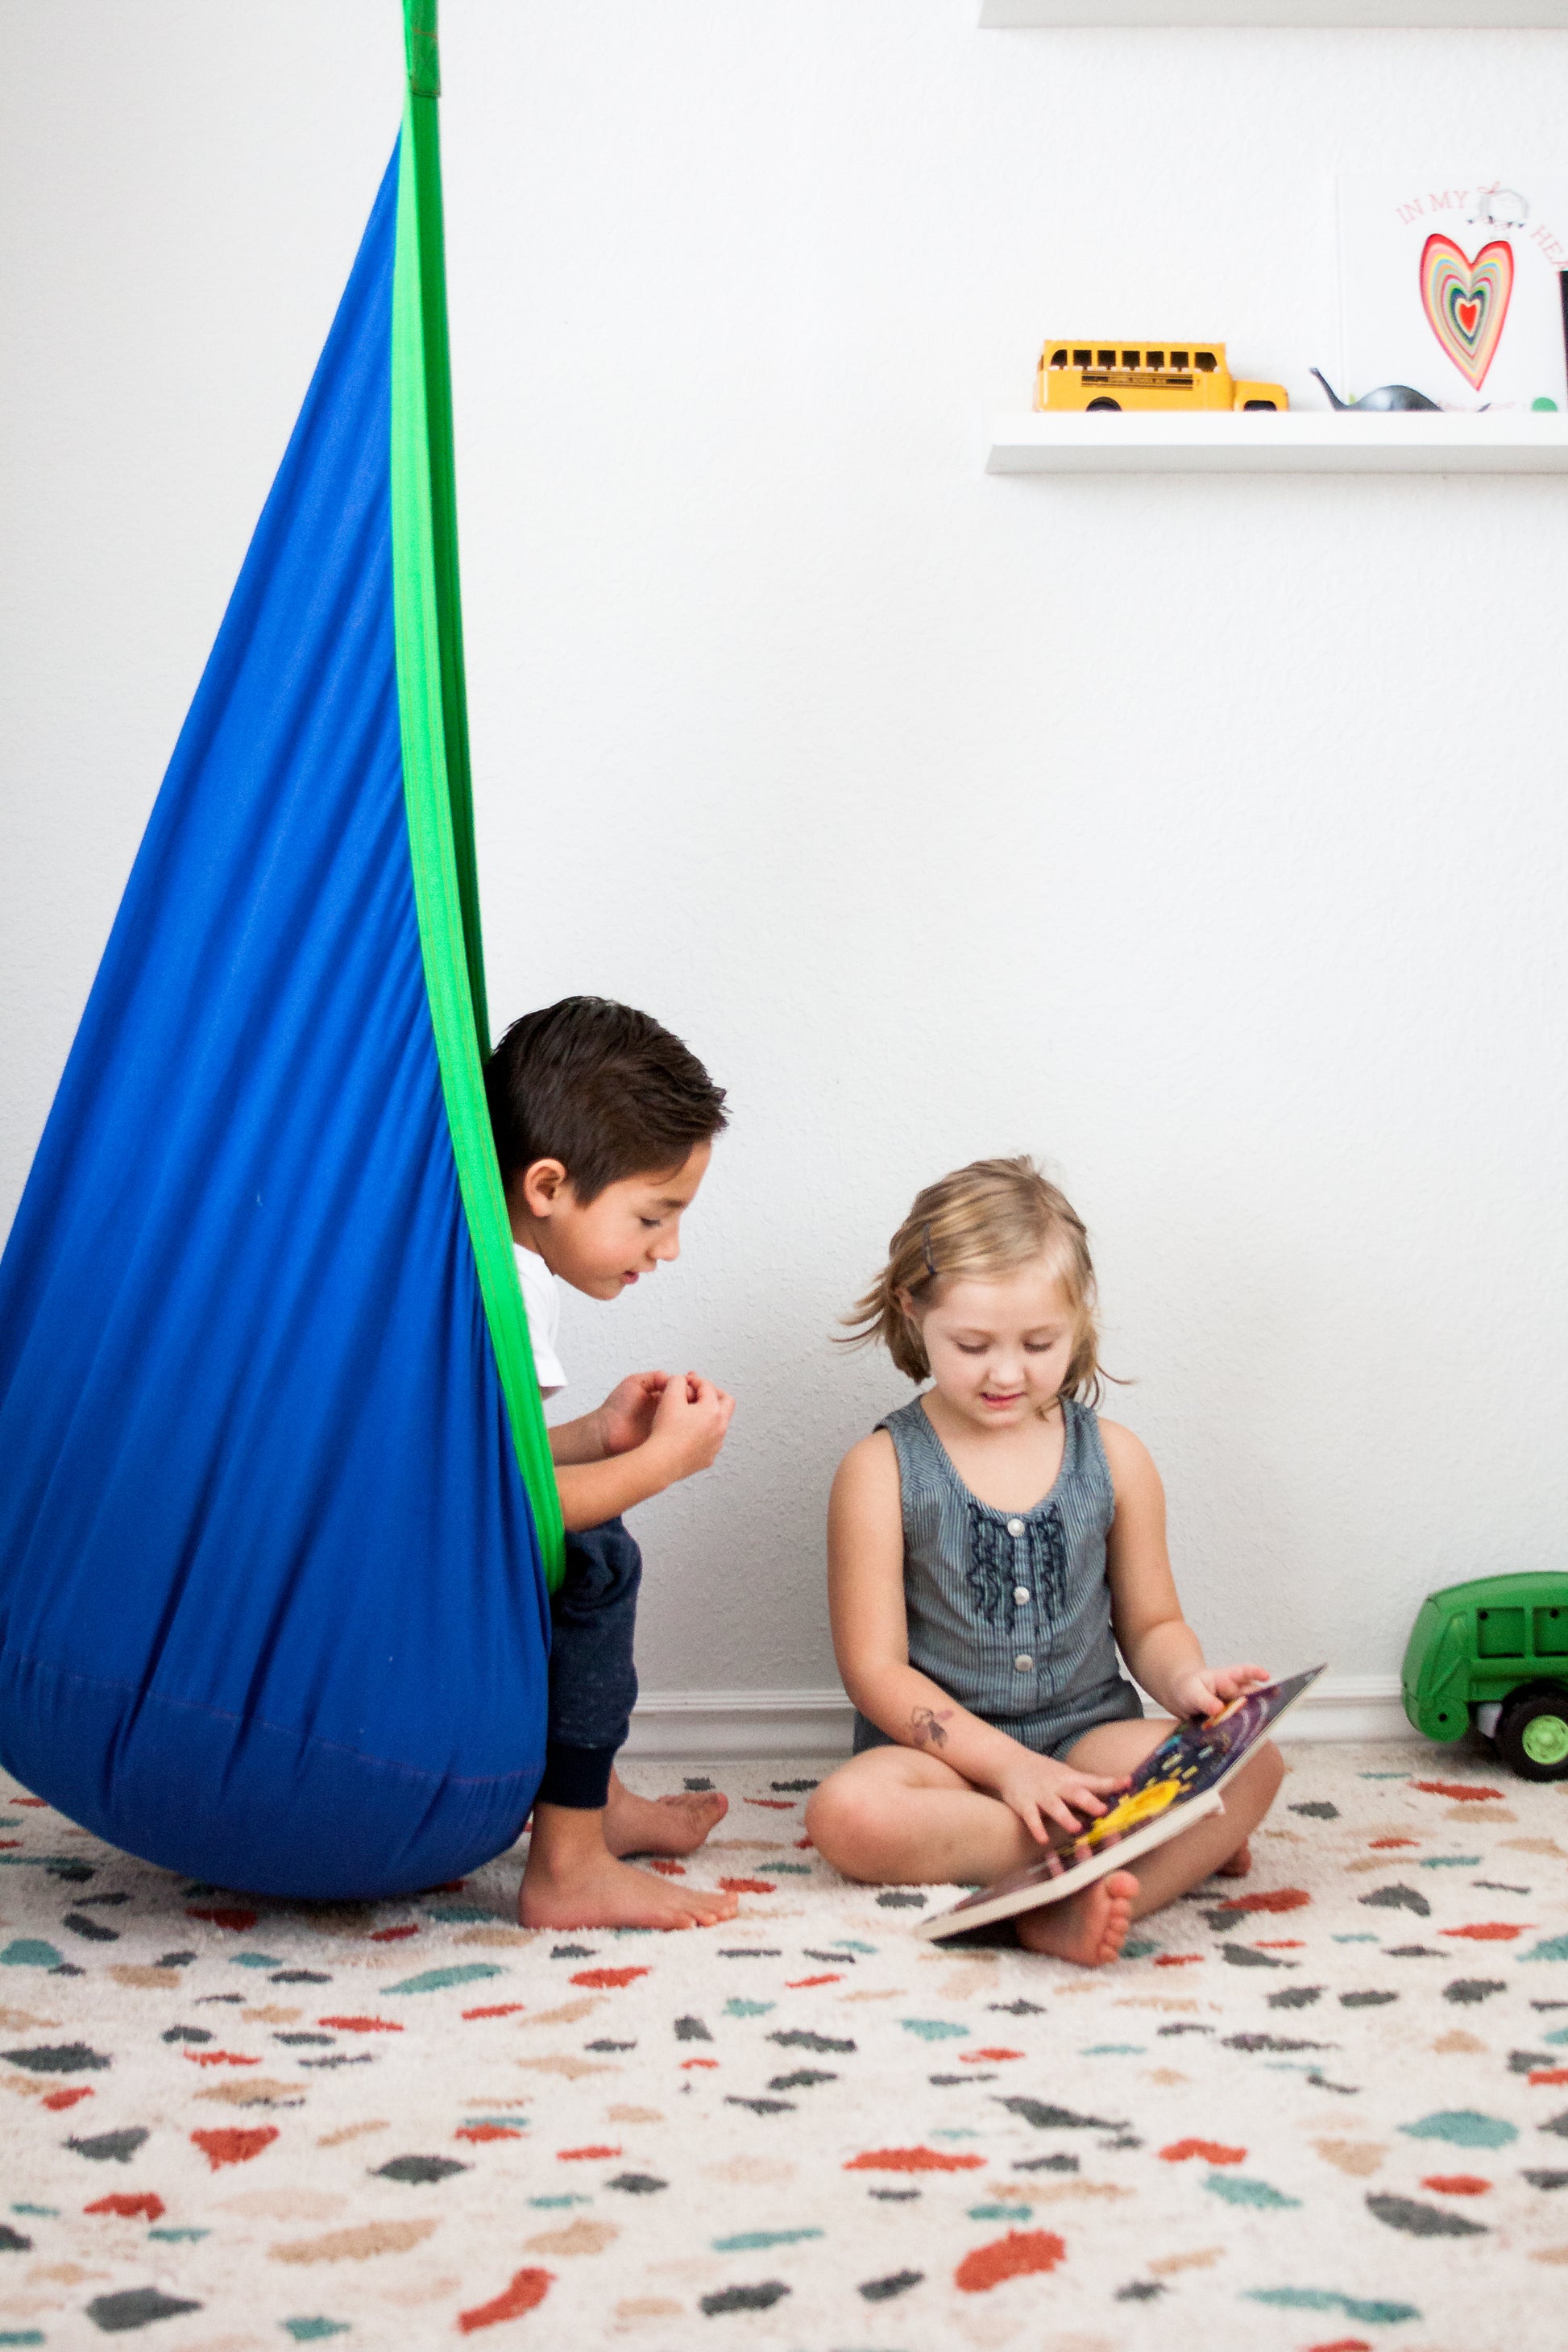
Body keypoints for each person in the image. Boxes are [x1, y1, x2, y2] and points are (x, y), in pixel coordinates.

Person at [805, 1156, 1282, 1967]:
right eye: (971, 1344)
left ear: (1077, 1321)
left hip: (1087, 1742)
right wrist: (1009, 1769)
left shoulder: (1116, 1458)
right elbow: (875, 1674)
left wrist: (1187, 1686)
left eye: (1036, 1343)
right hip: (942, 1761)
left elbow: (1152, 1623)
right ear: (911, 1310)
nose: (1004, 1372)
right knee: (847, 1816)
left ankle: (1078, 1890)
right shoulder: (879, 1471)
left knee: (1256, 1766)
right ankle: (1133, 1854)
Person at [484, 996, 737, 1931]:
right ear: (547, 1185)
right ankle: (568, 1864)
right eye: (652, 1216)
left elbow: (474, 1464)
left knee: (589, 1523)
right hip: (389, 1565)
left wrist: (594, 1436)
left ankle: (596, 1801)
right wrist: (666, 1462)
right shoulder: (510, 1283)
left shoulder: (467, 1246)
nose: (668, 1249)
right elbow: (507, 1509)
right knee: (596, 1556)